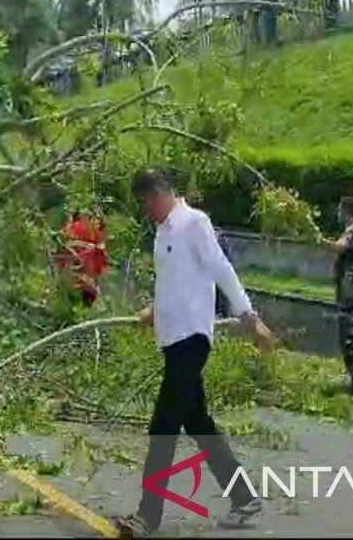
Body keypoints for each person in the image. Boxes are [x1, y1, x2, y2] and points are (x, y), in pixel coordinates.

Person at [114, 171, 276, 538]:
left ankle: (147, 517)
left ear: (158, 194)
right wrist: (155, 309)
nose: (146, 211)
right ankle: (244, 497)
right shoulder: (164, 232)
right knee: (197, 422)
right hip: (172, 340)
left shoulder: (193, 222)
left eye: (146, 203)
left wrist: (250, 319)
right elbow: (174, 280)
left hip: (192, 339)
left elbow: (221, 269)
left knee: (163, 426)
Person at [324, 195, 353, 399]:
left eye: (341, 209)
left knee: (350, 336)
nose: (338, 213)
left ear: (347, 211)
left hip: (351, 292)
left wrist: (319, 240)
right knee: (351, 335)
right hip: (351, 290)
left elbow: (339, 247)